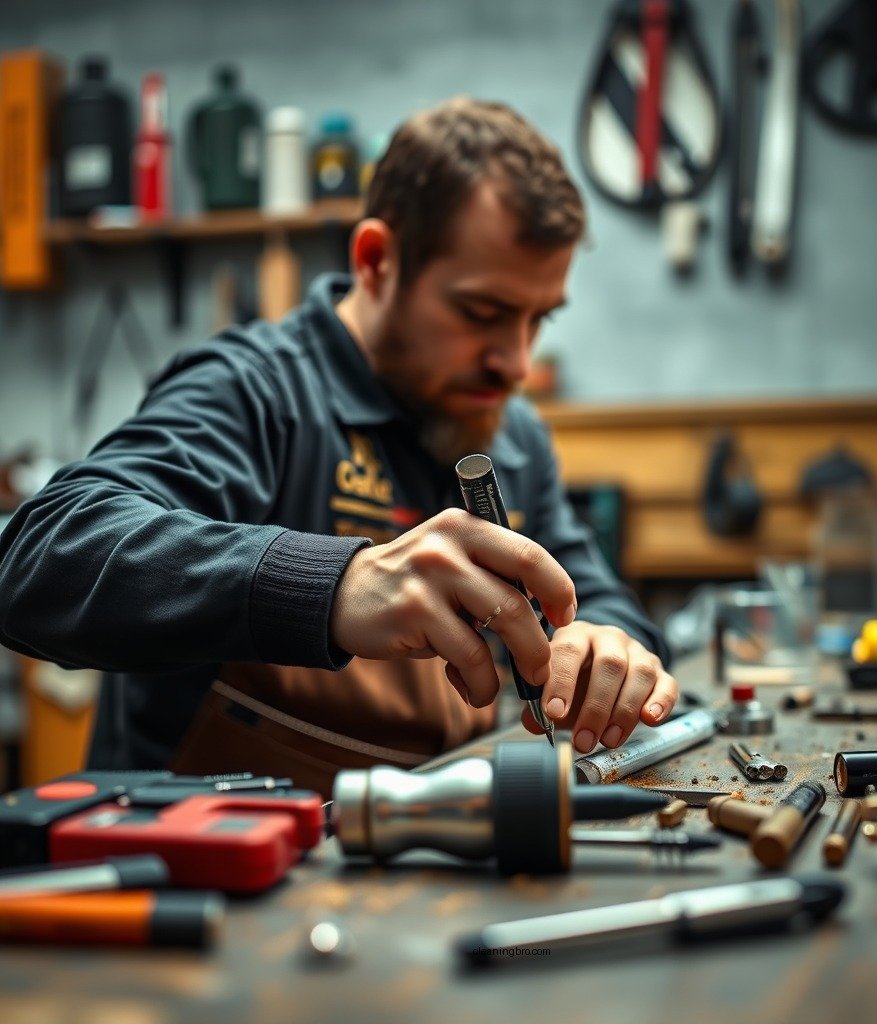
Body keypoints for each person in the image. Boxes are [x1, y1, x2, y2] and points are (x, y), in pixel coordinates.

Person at [0, 97, 676, 790]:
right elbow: (39, 555)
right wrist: (333, 586)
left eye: (538, 320)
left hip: (430, 860)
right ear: (377, 260)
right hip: (203, 870)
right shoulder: (254, 391)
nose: (515, 361)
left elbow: (599, 599)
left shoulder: (515, 436)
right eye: (483, 313)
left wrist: (613, 649)